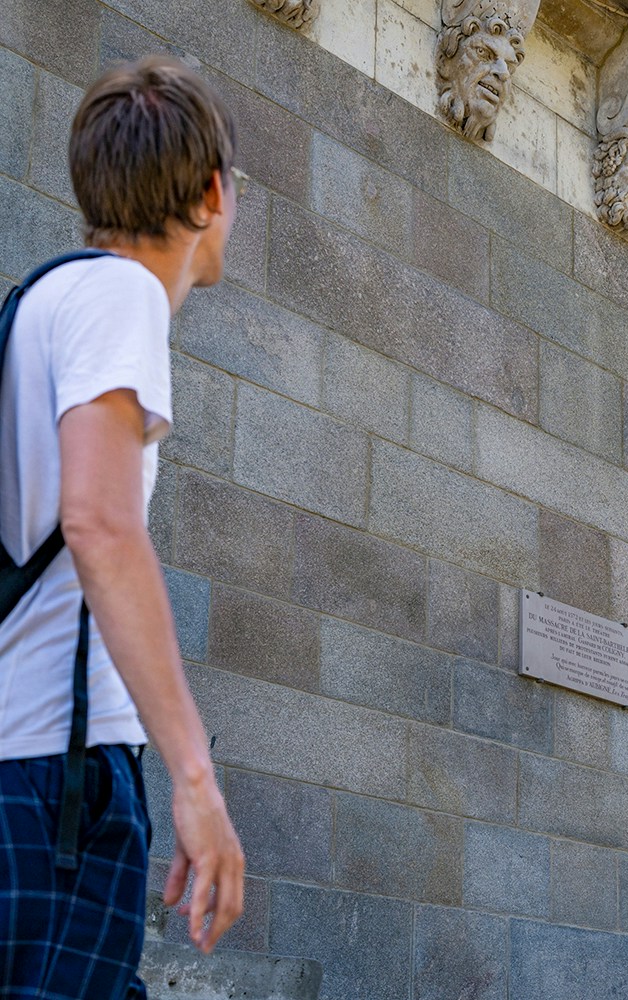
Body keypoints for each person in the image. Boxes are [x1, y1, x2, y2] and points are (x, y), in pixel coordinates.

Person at [0, 55, 246, 996]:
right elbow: (100, 521)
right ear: (213, 191)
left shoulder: (42, 300)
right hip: (58, 782)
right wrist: (195, 778)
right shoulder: (119, 293)